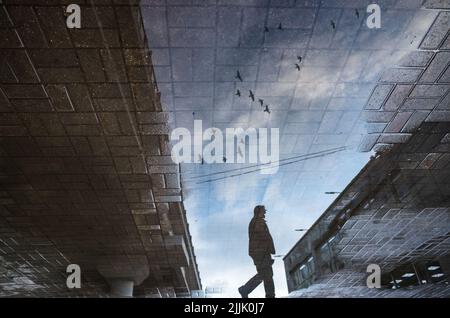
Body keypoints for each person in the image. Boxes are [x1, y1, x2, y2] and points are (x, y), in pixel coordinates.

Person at [238, 205, 275, 298]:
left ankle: (245, 290)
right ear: (258, 212)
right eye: (263, 211)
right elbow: (263, 236)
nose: (265, 212)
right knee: (267, 275)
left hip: (260, 253)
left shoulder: (256, 221)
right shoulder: (258, 222)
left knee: (265, 274)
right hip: (261, 253)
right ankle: (245, 290)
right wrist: (269, 250)